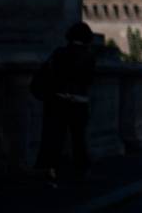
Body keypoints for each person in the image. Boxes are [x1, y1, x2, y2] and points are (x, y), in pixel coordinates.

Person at [34, 21, 96, 183]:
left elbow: (47, 73)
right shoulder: (89, 56)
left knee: (54, 138)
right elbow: (89, 80)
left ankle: (50, 172)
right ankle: (81, 171)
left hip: (58, 100)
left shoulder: (59, 53)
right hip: (79, 102)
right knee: (79, 139)